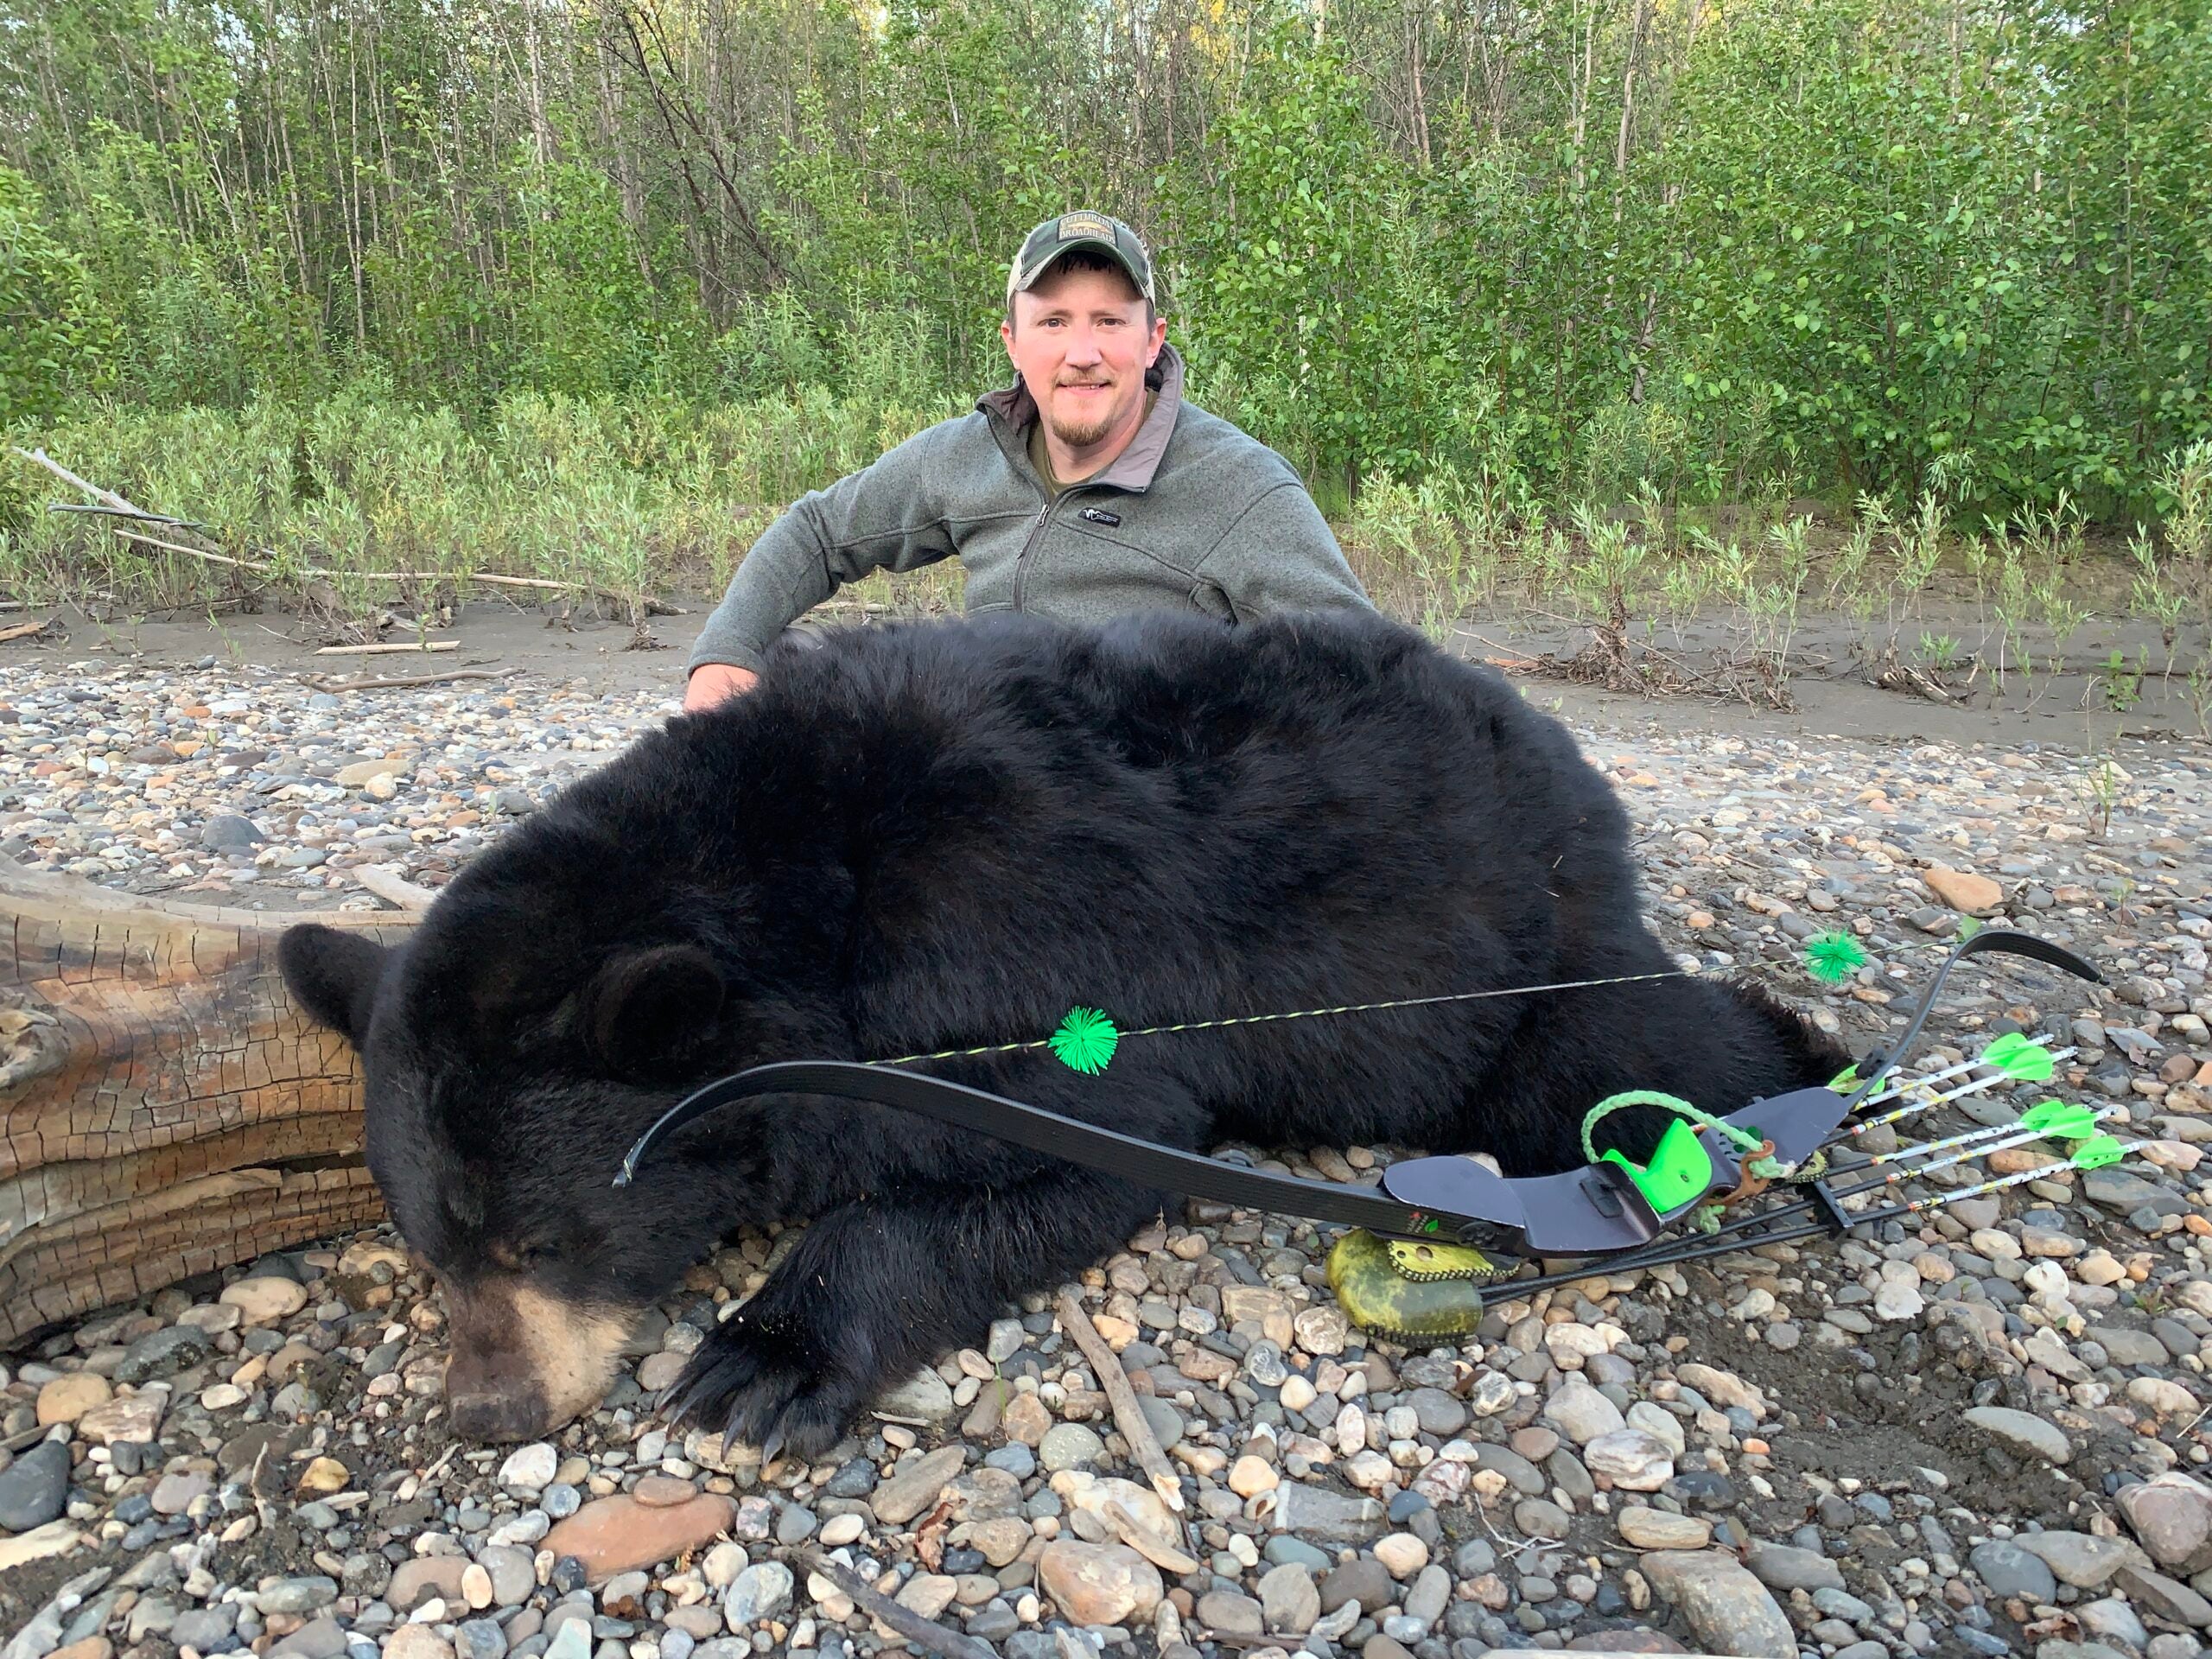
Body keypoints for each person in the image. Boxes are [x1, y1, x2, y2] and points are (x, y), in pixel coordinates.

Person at [683, 210, 1372, 709]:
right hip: (984, 773)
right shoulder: (962, 457)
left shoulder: (1239, 488)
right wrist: (724, 654)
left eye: (1109, 321)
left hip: (1145, 809)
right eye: (1053, 322)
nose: (1082, 353)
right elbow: (818, 531)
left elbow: (1362, 671)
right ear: (1013, 342)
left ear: (1152, 341)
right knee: (785, 669)